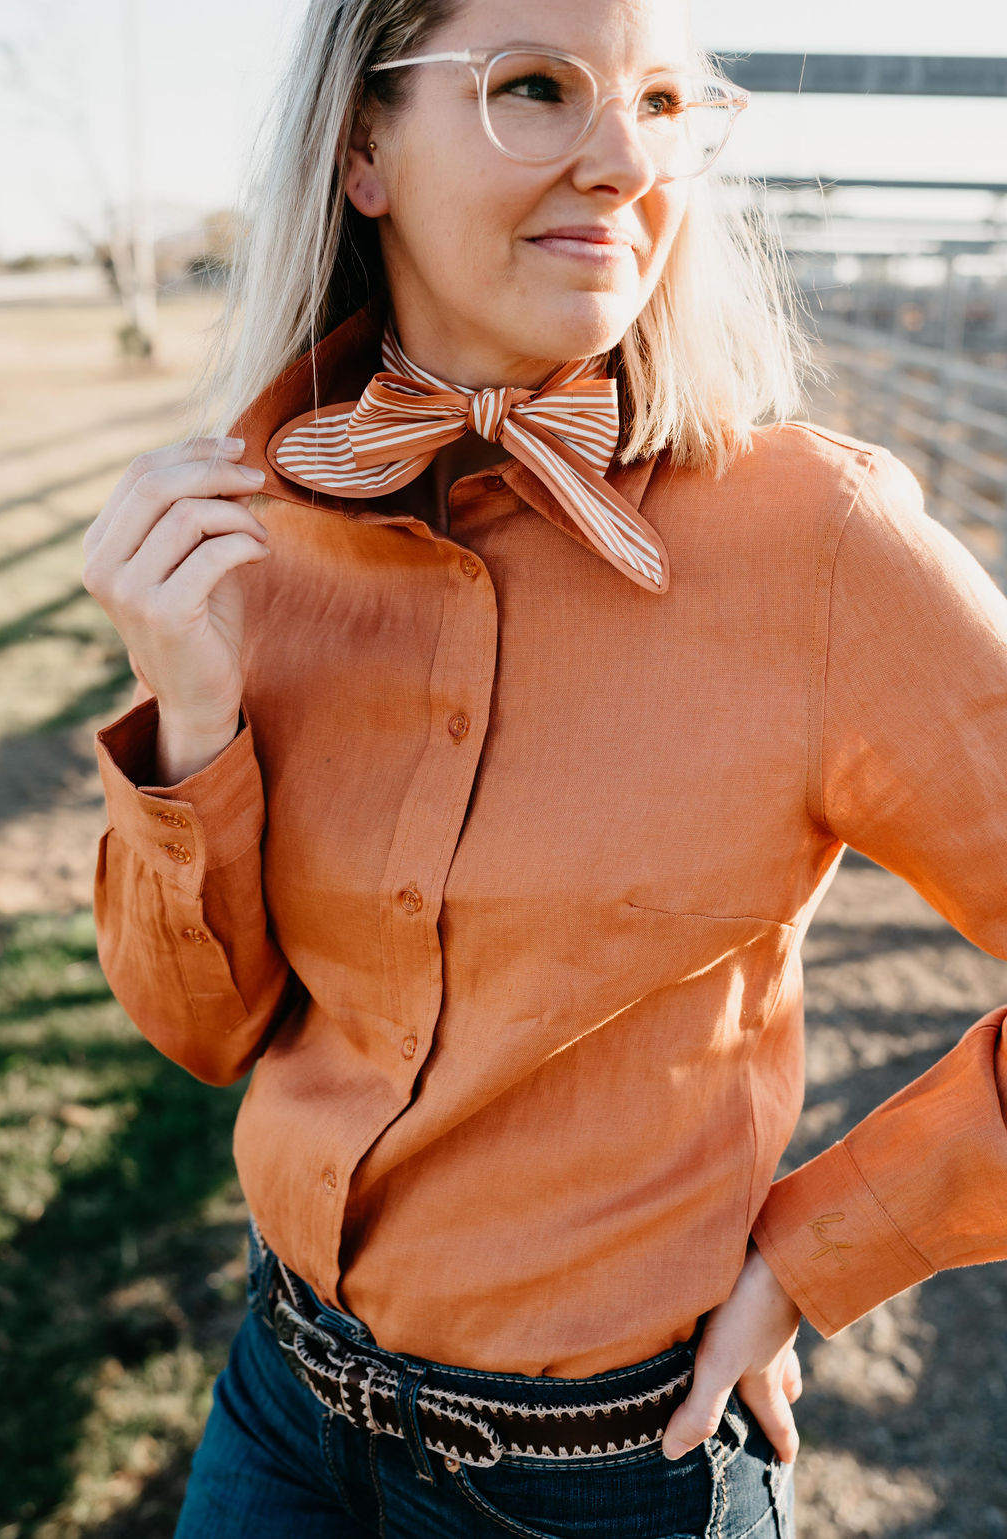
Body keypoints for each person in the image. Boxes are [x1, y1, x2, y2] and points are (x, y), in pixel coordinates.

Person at [81, 0, 1007, 1534]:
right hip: (281, 1409)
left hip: (606, 1483)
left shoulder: (823, 544)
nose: (621, 159)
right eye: (535, 87)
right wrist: (190, 718)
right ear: (364, 146)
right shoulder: (256, 527)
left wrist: (824, 1250)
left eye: (658, 101)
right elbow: (205, 1029)